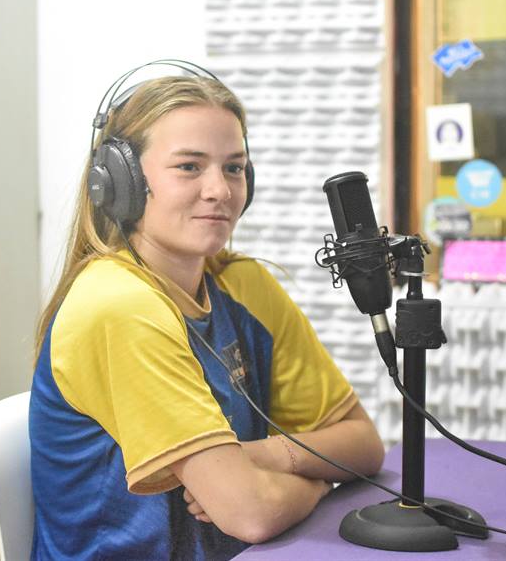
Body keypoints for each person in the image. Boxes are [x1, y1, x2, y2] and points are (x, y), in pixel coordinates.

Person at [29, 69, 385, 560]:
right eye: (190, 167)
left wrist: (260, 455)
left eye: (234, 168)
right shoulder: (118, 306)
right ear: (122, 183)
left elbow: (364, 445)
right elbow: (251, 512)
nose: (220, 190)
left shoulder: (243, 284)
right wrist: (319, 484)